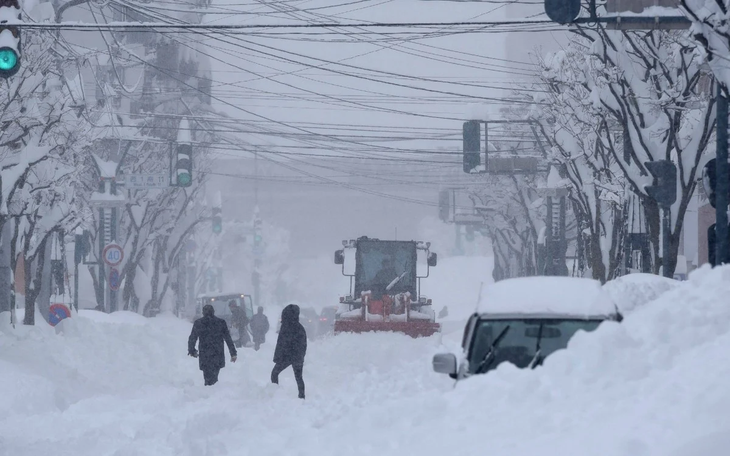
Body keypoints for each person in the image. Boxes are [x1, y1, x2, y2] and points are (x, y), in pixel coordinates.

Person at [188, 304, 237, 386]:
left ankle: (209, 387)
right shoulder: (221, 323)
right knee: (215, 374)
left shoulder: (198, 323)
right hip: (217, 353)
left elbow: (192, 338)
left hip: (205, 353)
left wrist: (192, 350)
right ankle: (213, 389)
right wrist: (233, 353)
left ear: (203, 313)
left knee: (206, 374)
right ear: (213, 312)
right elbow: (228, 339)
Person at [271, 304, 307, 399]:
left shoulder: (285, 327)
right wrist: (300, 357)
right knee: (299, 377)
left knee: (274, 373)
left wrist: (278, 357)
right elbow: (303, 345)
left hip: (286, 357)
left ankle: (275, 394)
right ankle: (301, 397)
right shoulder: (300, 328)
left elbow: (281, 344)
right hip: (297, 357)